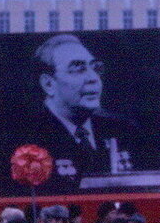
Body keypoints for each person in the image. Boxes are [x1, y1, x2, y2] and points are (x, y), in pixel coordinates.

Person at [16, 34, 144, 191]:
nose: (94, 78)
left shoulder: (124, 129)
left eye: (95, 67)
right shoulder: (26, 137)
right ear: (49, 84)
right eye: (78, 69)